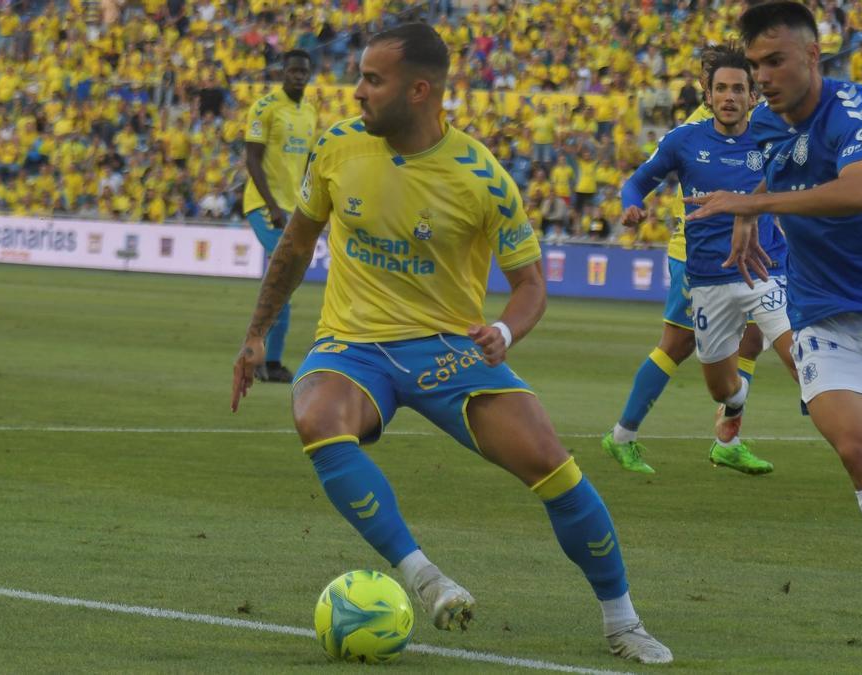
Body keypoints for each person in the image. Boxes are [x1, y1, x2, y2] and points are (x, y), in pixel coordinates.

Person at [231, 23, 672, 664]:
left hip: (447, 350)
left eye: (372, 80)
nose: (356, 92)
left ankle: (621, 619)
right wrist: (254, 336)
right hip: (352, 345)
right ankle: (425, 578)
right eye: (359, 76)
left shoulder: (482, 179)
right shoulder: (336, 147)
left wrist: (504, 330)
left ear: (419, 91)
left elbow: (530, 286)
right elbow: (297, 244)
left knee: (554, 466)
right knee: (317, 416)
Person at [687, 1, 862, 595]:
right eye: (755, 65)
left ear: (812, 56)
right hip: (823, 316)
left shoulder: (854, 109)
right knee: (855, 449)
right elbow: (777, 167)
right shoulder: (766, 122)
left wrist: (753, 206)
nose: (762, 78)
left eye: (775, 61)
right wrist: (752, 208)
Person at [612, 47, 795, 476]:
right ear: (707, 95)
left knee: (800, 360)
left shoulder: (776, 137)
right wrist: (632, 206)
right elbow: (637, 182)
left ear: (754, 97)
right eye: (721, 89)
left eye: (738, 89)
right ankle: (732, 409)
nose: (729, 96)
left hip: (767, 271)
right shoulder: (684, 141)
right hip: (708, 280)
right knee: (721, 385)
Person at [242, 49, 317, 383]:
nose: (298, 76)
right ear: (283, 72)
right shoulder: (264, 107)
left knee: (281, 282)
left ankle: (263, 358)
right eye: (293, 71)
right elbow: (253, 158)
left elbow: (308, 164)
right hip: (263, 206)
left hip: (292, 209)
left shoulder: (310, 113)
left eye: (303, 72)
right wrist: (272, 205)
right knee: (283, 277)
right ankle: (268, 362)